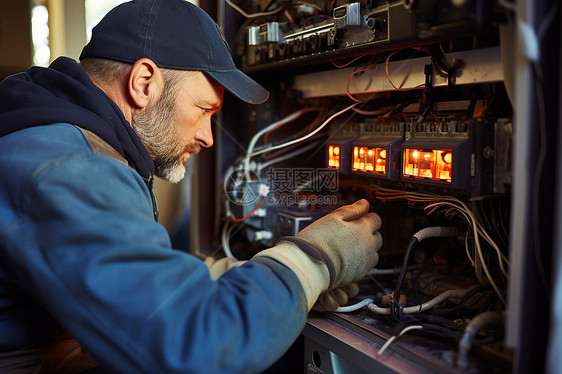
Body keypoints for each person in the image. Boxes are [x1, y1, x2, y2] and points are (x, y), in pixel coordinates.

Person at [0, 0, 382, 372]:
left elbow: (142, 278)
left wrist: (262, 280)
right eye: (203, 110)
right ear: (143, 82)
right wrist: (314, 261)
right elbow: (195, 343)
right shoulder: (70, 167)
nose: (208, 137)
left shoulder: (58, 137)